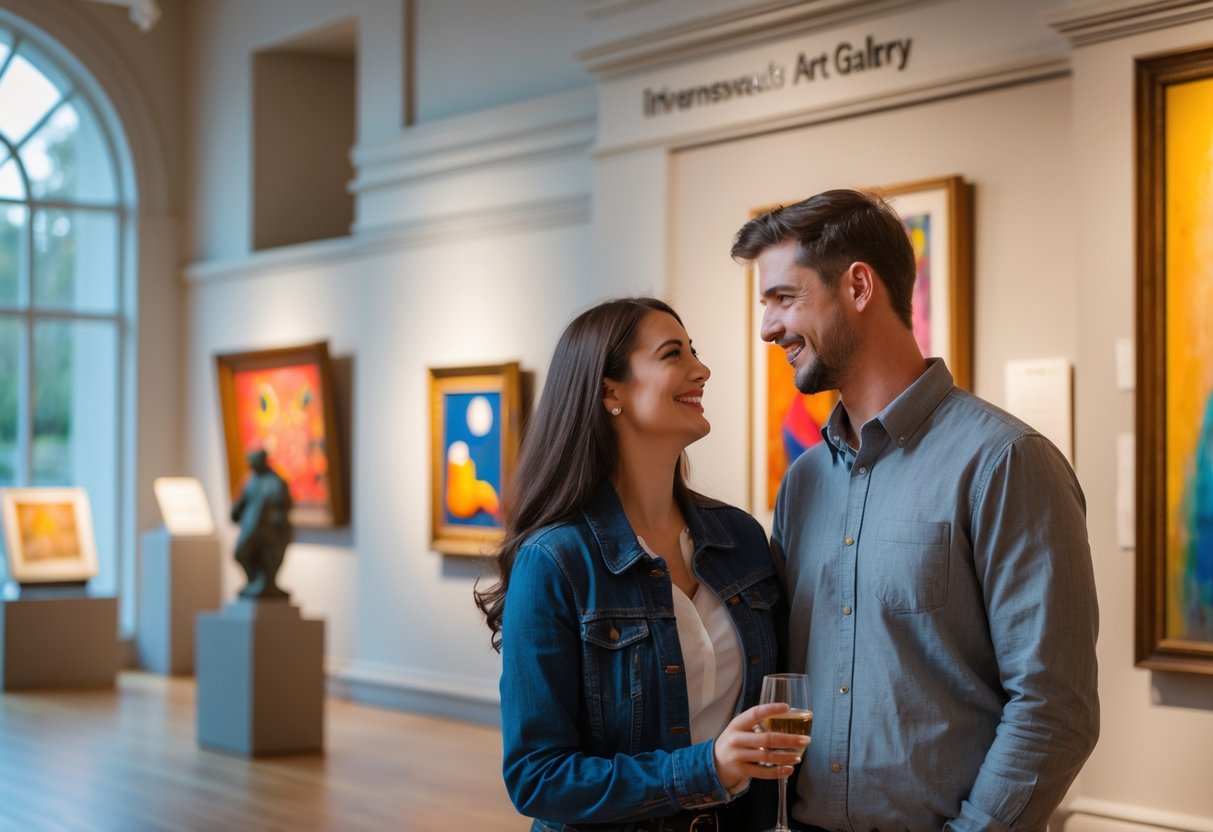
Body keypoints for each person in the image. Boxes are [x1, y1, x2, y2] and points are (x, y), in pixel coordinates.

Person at [730, 190, 1099, 831]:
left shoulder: (1007, 462)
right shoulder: (804, 482)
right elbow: (791, 674)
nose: (768, 328)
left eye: (784, 298)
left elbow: (1053, 705)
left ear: (859, 287)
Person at [475, 297, 808, 832]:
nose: (701, 369)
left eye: (693, 352)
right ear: (611, 391)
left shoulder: (741, 538)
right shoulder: (556, 561)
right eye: (673, 354)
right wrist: (707, 768)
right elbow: (537, 777)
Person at [230, 448, 293, 599]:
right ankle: (255, 581)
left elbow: (283, 505)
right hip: (251, 527)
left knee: (267, 558)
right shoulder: (251, 481)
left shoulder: (275, 482)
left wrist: (277, 523)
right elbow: (242, 502)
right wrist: (236, 512)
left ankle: (265, 583)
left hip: (266, 530)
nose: (250, 464)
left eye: (253, 460)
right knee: (240, 554)